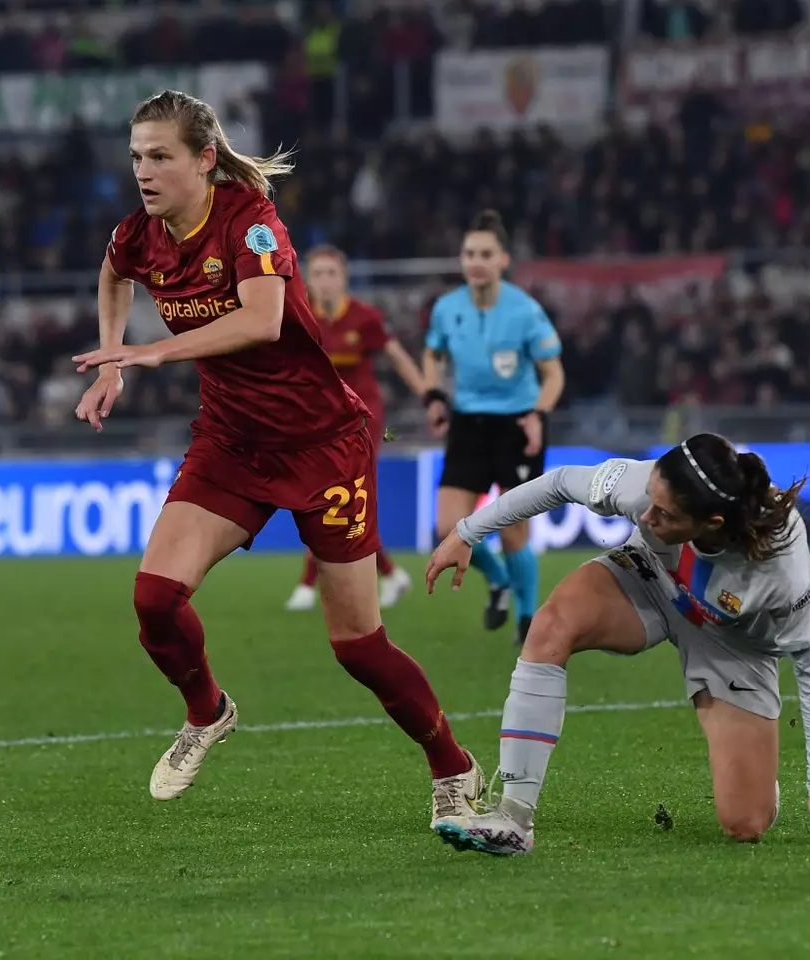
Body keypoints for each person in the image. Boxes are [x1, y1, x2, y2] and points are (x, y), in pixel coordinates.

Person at [71, 90, 485, 832]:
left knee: (358, 647)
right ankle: (208, 711)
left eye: (160, 156)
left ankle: (452, 766)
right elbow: (113, 273)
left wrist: (153, 350)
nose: (143, 171)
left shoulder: (251, 223)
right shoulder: (138, 234)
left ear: (204, 159)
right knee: (154, 599)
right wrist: (112, 362)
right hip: (231, 442)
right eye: (136, 156)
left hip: (323, 447)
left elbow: (262, 321)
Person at [423, 433, 810, 855]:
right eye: (650, 499)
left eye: (665, 514)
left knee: (745, 824)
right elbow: (559, 483)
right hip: (651, 579)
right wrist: (467, 532)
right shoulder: (648, 488)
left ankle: (755, 778)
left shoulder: (781, 566)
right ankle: (513, 819)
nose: (646, 517)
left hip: (734, 646)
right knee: (551, 626)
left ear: (712, 524)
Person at [421, 211, 564, 644]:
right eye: (470, 254)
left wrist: (538, 415)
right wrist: (434, 396)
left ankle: (526, 618)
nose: (476, 262)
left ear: (503, 260)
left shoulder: (525, 311)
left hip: (517, 425)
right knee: (447, 528)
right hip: (468, 424)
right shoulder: (448, 309)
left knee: (515, 530)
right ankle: (499, 579)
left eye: (485, 254)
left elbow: (553, 374)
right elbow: (432, 354)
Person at [285, 244, 424, 613]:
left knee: (338, 495)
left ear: (344, 278)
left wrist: (428, 393)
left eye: (332, 273)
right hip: (320, 420)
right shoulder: (300, 317)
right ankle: (391, 574)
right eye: (318, 274)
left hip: (363, 418)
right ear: (307, 280)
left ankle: (307, 584)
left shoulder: (364, 317)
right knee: (337, 501)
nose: (325, 281)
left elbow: (396, 357)